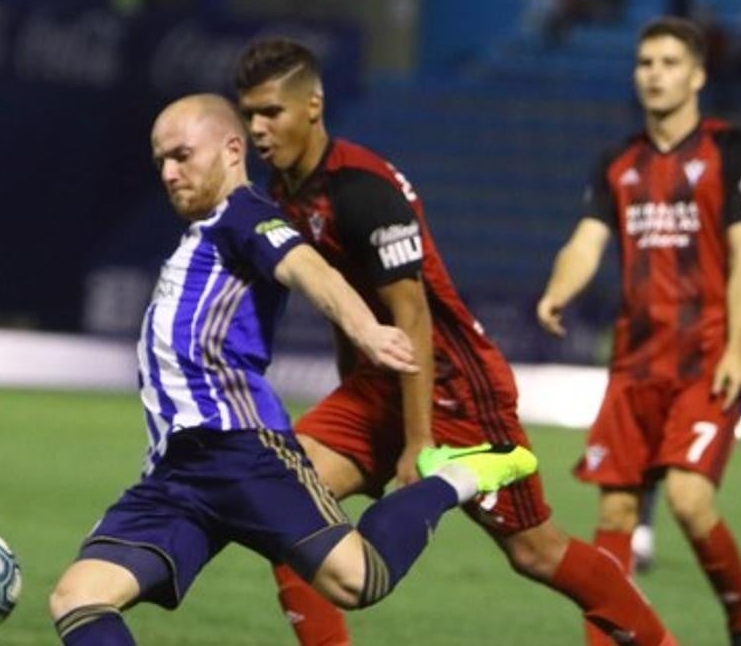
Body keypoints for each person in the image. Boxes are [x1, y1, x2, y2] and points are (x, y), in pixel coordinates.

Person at [47, 93, 540, 644]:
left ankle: (458, 476)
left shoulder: (246, 214)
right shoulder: (203, 233)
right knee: (78, 599)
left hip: (243, 450)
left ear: (232, 150)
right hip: (176, 472)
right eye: (160, 160)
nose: (168, 172)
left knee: (360, 581)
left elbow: (309, 268)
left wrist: (365, 328)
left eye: (182, 155)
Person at [235, 39, 676, 646]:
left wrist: (417, 443)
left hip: (454, 390)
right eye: (249, 114)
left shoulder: (362, 191)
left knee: (536, 553)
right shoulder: (285, 191)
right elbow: (343, 301)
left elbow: (412, 316)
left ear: (313, 105)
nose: (258, 129)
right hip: (379, 386)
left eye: (270, 113)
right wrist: (352, 387)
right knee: (284, 505)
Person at [536, 17, 741, 646]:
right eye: (645, 63)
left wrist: (736, 347)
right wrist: (560, 288)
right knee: (614, 513)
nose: (655, 74)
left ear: (697, 75)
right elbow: (586, 243)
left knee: (689, 500)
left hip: (706, 361)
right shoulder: (617, 163)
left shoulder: (733, 149)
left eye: (670, 62)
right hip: (635, 365)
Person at [631, 217, 741, 589]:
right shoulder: (691, 199)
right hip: (687, 339)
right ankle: (641, 538)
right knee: (660, 427)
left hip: (736, 345)